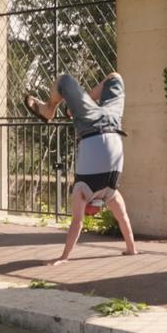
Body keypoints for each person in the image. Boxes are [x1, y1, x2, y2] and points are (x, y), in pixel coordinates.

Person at [25, 72, 138, 266]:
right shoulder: (110, 194)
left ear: (87, 209)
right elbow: (124, 220)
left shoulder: (82, 191)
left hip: (90, 124)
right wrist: (131, 249)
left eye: (89, 212)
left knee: (64, 80)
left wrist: (64, 257)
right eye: (95, 212)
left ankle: (48, 109)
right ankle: (75, 107)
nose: (92, 211)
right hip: (113, 121)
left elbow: (77, 223)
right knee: (115, 77)